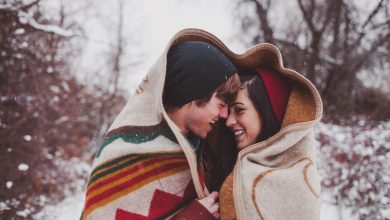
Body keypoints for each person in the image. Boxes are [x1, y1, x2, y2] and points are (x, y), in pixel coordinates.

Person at [80, 30, 241, 220]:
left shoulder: (200, 149)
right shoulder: (125, 152)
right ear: (194, 94)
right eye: (221, 104)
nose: (224, 115)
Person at [201, 66, 323, 219]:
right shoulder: (219, 161)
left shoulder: (297, 181)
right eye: (229, 111)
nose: (229, 121)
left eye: (239, 110)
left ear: (267, 112)